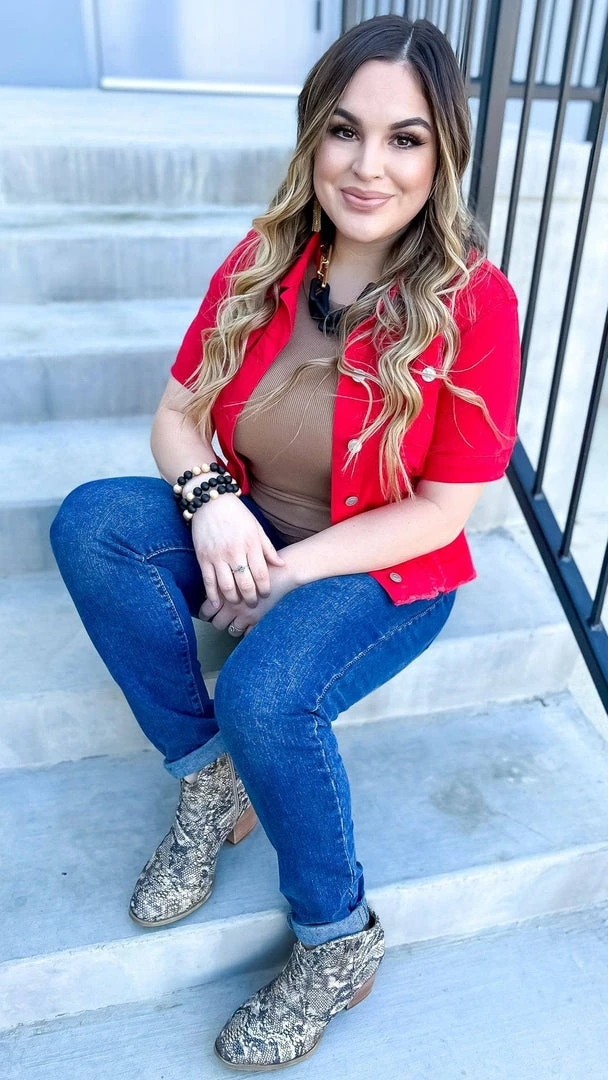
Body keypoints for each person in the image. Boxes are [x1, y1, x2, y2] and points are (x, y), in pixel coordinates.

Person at [50, 13, 521, 1072]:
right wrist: (212, 501)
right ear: (313, 135)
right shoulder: (265, 260)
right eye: (344, 130)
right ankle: (208, 779)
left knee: (265, 691)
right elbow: (176, 415)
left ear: (442, 154)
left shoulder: (475, 306)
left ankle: (336, 937)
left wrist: (286, 572)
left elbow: (442, 509)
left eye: (404, 138)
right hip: (253, 517)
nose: (367, 166)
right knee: (92, 523)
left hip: (381, 566)